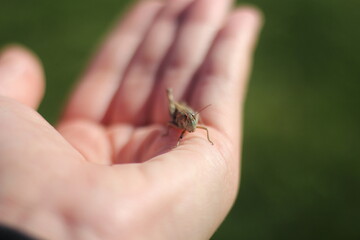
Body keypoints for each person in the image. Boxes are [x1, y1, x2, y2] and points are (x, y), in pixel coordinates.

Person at [0, 0, 262, 239]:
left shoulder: (197, 124)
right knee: (169, 120)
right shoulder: (179, 120)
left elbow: (201, 128)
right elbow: (174, 122)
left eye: (193, 120)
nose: (193, 123)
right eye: (190, 120)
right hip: (173, 112)